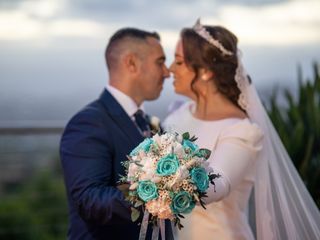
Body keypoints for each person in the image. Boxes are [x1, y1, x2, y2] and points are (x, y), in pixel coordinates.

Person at [163, 19, 320, 240]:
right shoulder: (176, 116)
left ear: (206, 72)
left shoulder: (242, 131)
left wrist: (156, 179)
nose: (170, 69)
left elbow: (219, 184)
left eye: (178, 62)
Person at [60, 28, 170, 239]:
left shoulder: (151, 124)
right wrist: (159, 194)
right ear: (131, 63)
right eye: (160, 62)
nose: (167, 72)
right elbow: (89, 199)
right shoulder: (88, 123)